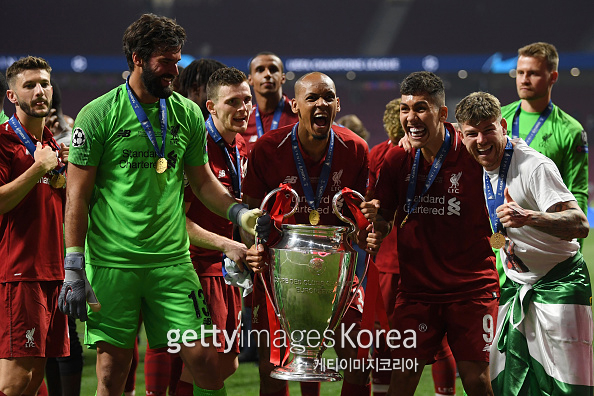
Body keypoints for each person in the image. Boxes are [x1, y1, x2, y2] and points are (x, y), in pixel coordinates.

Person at [58, 14, 262, 396]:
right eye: (166, 61)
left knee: (205, 361)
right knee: (111, 373)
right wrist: (73, 265)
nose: (175, 70)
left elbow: (203, 182)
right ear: (138, 58)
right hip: (113, 263)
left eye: (177, 60)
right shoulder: (98, 114)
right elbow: (77, 196)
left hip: (171, 263)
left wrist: (240, 213)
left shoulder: (186, 113)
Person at [243, 71, 381, 396]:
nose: (321, 104)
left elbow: (361, 215)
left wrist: (368, 231)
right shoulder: (267, 148)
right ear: (295, 105)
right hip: (282, 273)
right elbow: (249, 214)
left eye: (328, 97)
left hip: (336, 272)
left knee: (360, 362)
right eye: (312, 98)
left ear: (337, 104)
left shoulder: (356, 148)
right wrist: (254, 242)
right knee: (272, 371)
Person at [456, 91, 593, 396]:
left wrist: (530, 217)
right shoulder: (469, 161)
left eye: (489, 130)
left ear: (503, 126)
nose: (481, 140)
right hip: (516, 286)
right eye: (472, 133)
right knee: (509, 383)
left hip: (560, 284)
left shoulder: (534, 167)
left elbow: (579, 225)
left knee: (566, 387)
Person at [373, 71, 500, 396]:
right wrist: (375, 226)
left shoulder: (473, 153)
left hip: (470, 291)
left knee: (476, 380)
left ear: (443, 114)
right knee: (401, 380)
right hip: (417, 294)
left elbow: (508, 156)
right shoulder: (397, 158)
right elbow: (385, 218)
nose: (410, 118)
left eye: (420, 108)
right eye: (405, 109)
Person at [142, 58, 228, 396]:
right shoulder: (173, 135)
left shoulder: (227, 142)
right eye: (197, 89)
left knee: (217, 358)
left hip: (215, 261)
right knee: (178, 349)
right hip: (180, 259)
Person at [366, 98, 457, 396]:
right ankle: (445, 391)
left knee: (382, 335)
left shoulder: (381, 154)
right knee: (436, 338)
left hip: (389, 260)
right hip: (418, 258)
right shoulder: (400, 155)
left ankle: (381, 391)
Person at [172, 67, 252, 395]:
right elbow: (175, 220)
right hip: (194, 267)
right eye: (233, 101)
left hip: (225, 268)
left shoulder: (242, 147)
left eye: (247, 100)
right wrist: (225, 244)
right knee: (204, 364)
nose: (243, 108)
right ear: (212, 107)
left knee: (227, 362)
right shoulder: (196, 145)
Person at [0, 56, 70, 396]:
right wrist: (38, 169)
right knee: (14, 381)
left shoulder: (53, 147)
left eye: (44, 83)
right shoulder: (3, 141)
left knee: (34, 378)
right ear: (13, 96)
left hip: (52, 273)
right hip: (19, 272)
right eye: (29, 85)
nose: (40, 91)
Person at [501, 42, 588, 247]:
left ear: (553, 77)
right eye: (520, 72)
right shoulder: (498, 120)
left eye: (533, 73)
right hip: (500, 233)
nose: (524, 79)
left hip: (542, 239)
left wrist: (575, 247)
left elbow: (577, 191)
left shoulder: (570, 130)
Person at [242, 51, 298, 152]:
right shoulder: (243, 119)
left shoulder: (300, 114)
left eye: (273, 70)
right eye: (260, 70)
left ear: (283, 78)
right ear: (250, 80)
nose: (267, 74)